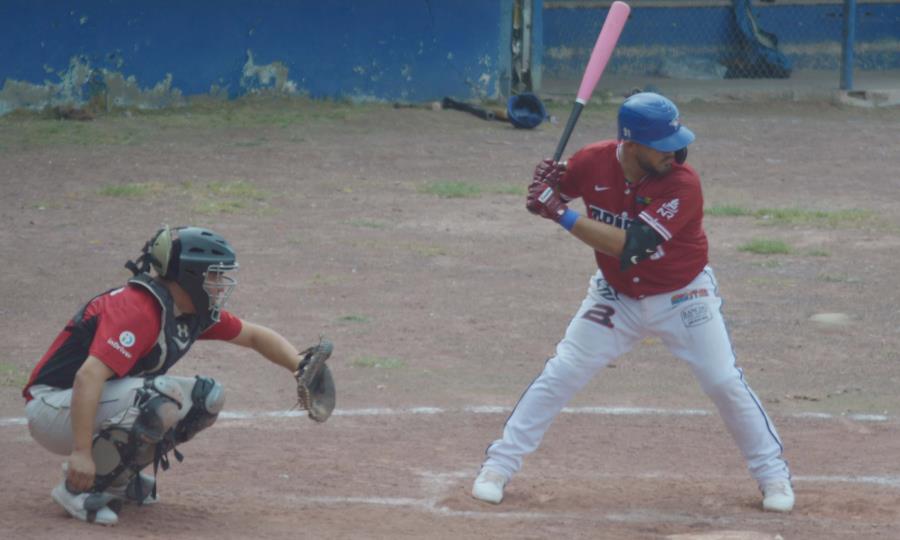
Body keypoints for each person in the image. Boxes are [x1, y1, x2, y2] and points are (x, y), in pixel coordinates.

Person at [471, 92, 794, 512]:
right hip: (615, 296)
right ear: (632, 143)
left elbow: (630, 245)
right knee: (562, 372)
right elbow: (553, 193)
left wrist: (560, 213)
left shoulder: (683, 183)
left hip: (683, 295)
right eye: (661, 145)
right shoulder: (592, 160)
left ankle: (773, 476)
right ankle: (497, 467)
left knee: (723, 381)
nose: (673, 153)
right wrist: (546, 187)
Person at [23, 226, 332, 525]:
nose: (220, 285)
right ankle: (77, 489)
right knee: (160, 397)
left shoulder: (185, 309)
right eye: (214, 275)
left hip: (88, 403)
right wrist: (81, 452)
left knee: (205, 399)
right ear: (190, 276)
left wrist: (298, 366)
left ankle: (114, 479)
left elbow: (252, 335)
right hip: (53, 406)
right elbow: (87, 377)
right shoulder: (138, 309)